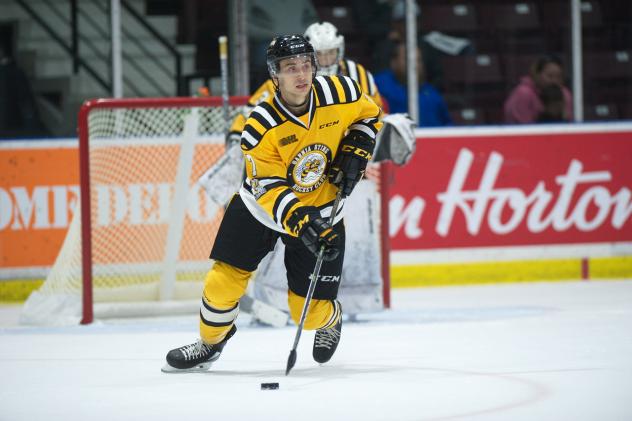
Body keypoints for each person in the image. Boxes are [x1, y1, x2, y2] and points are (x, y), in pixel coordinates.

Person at [163, 34, 382, 372]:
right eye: (290, 68)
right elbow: (268, 188)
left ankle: (331, 319)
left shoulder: (343, 92)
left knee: (307, 315)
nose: (301, 74)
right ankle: (210, 343)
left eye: (306, 65)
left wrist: (359, 144)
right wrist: (302, 220)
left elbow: (370, 116)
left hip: (322, 209)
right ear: (274, 75)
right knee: (221, 284)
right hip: (259, 210)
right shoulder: (260, 125)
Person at [374, 41, 452, 127]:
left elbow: (447, 127)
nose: (414, 64)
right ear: (394, 62)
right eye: (408, 59)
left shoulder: (432, 94)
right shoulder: (379, 85)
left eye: (418, 60)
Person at [504, 55, 573, 124]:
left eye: (559, 77)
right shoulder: (523, 94)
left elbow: (571, 126)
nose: (554, 81)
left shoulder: (564, 94)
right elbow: (525, 130)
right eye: (550, 76)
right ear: (536, 74)